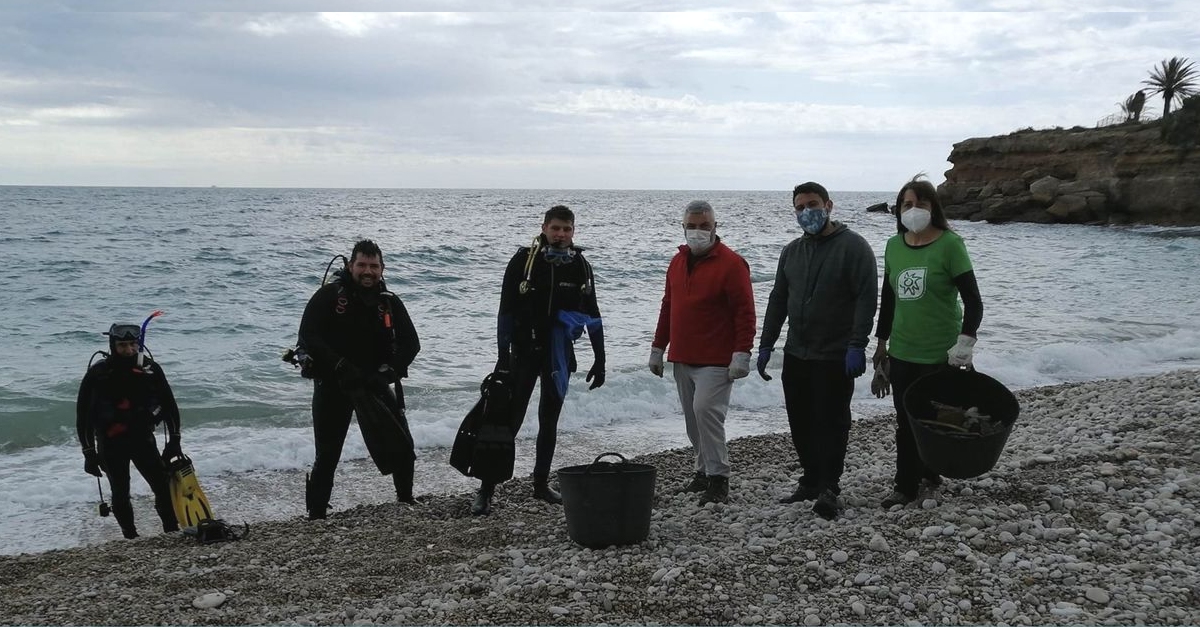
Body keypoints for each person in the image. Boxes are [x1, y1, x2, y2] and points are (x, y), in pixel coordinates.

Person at [473, 205, 606, 516]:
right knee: (510, 420)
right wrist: (501, 358)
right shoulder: (524, 261)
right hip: (524, 352)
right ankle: (486, 488)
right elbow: (504, 312)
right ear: (544, 227)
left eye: (567, 229)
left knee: (549, 419)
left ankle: (540, 484)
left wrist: (600, 359)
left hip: (558, 356)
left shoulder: (581, 267)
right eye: (555, 228)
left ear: (574, 232)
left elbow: (593, 315)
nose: (560, 235)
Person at [757, 182, 877, 520]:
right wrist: (766, 343)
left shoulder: (854, 248)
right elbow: (778, 299)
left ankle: (830, 487)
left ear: (828, 205)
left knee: (832, 421)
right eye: (799, 207)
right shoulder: (791, 252)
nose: (806, 212)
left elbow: (867, 299)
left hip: (835, 353)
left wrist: (857, 345)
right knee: (800, 420)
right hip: (797, 352)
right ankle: (809, 479)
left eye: (812, 204)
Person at [873, 176, 983, 509]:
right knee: (905, 421)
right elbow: (888, 300)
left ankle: (932, 469)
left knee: (938, 417)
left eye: (921, 203)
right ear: (899, 209)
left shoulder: (950, 244)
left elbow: (973, 301)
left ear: (933, 208)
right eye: (907, 204)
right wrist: (881, 346)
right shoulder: (894, 246)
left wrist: (965, 343)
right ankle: (904, 486)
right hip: (904, 350)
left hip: (941, 352)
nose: (914, 210)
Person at [298, 239, 421, 520]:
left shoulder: (388, 302)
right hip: (334, 383)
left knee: (402, 442)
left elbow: (411, 343)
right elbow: (309, 335)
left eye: (374, 266)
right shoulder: (330, 296)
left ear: (382, 268)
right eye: (362, 265)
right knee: (327, 454)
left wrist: (389, 372)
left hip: (373, 383)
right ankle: (316, 514)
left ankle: (406, 499)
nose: (368, 271)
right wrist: (339, 365)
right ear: (351, 266)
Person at [648, 200, 755, 505]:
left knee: (706, 412)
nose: (697, 232)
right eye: (692, 226)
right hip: (683, 355)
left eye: (704, 226)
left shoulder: (733, 263)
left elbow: (745, 312)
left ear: (715, 227)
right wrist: (658, 347)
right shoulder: (677, 262)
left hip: (717, 359)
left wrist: (742, 353)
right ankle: (702, 472)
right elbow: (668, 306)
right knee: (692, 420)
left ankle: (719, 478)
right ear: (683, 228)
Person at [77, 323, 182, 539]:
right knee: (120, 492)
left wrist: (175, 440)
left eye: (133, 344)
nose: (129, 350)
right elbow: (83, 417)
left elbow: (170, 407)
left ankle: (171, 530)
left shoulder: (151, 370)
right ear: (112, 345)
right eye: (122, 345)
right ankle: (131, 536)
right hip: (111, 443)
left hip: (142, 439)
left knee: (162, 486)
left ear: (139, 344)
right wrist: (88, 453)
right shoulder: (98, 374)